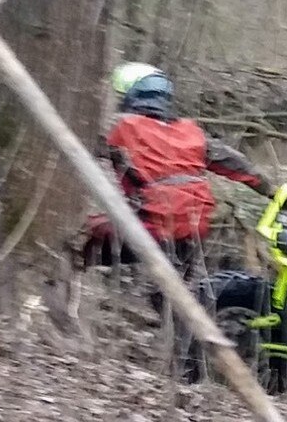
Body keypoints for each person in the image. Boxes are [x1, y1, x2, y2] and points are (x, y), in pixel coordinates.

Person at [85, 62, 274, 268]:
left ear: (130, 96)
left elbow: (84, 144)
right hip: (195, 231)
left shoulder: (120, 126)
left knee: (79, 237)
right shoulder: (192, 131)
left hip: (149, 229)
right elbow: (239, 166)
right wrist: (271, 191)